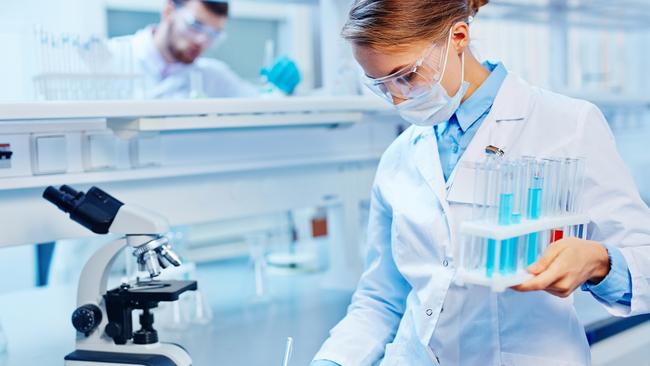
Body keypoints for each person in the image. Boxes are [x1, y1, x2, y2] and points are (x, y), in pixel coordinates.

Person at [312, 0, 650, 365]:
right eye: (381, 85)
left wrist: (600, 262)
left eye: (406, 76)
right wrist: (333, 360)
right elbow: (381, 299)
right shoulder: (399, 155)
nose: (396, 97)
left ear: (458, 36)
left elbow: (643, 258)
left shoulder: (567, 124)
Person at [129, 0, 300, 99]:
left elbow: (264, 105)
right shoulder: (113, 56)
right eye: (195, 25)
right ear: (168, 11)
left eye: (214, 33)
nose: (202, 40)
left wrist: (285, 90)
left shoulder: (213, 76)